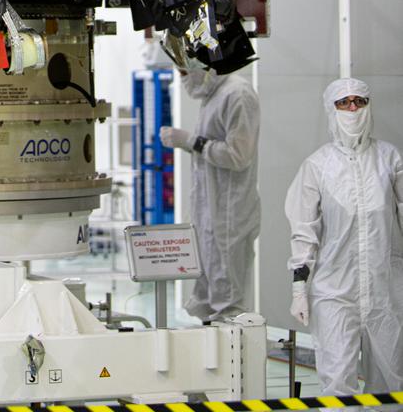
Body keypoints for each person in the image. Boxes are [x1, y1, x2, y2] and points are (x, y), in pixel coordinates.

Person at [285, 77, 403, 395]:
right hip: (335, 293)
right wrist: (299, 288)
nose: (352, 108)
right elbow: (303, 230)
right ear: (331, 109)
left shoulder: (389, 159)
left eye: (359, 101)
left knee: (391, 382)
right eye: (344, 102)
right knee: (337, 381)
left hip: (385, 293)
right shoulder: (318, 166)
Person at [160, 65, 260, 319]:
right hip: (210, 216)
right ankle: (212, 354)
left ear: (203, 67)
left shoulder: (237, 94)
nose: (183, 80)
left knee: (230, 302)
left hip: (229, 216)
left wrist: (192, 141)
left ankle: (233, 356)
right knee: (209, 293)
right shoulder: (212, 96)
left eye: (185, 72)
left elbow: (239, 155)